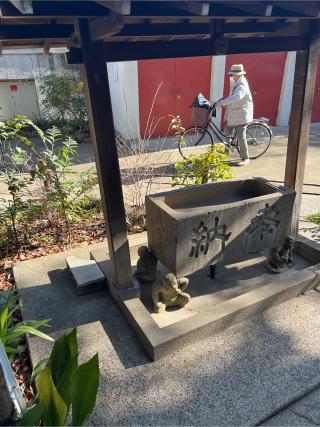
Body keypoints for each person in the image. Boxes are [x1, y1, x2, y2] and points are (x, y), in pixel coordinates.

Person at [216, 64, 253, 166]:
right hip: (235, 113)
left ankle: (246, 158)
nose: (231, 76)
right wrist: (223, 102)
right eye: (231, 74)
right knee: (228, 131)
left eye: (233, 74)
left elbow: (237, 97)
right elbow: (231, 96)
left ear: (238, 74)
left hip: (242, 114)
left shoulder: (242, 84)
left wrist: (223, 103)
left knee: (241, 136)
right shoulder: (235, 82)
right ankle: (226, 151)